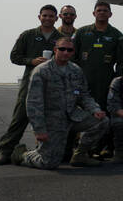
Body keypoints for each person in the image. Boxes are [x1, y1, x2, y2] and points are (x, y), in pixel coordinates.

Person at [11, 37, 108, 169]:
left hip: (73, 116)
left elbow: (84, 96)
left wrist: (95, 110)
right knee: (49, 163)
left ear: (73, 52)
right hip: (52, 121)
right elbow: (34, 103)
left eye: (69, 50)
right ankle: (23, 155)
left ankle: (80, 155)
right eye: (62, 49)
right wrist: (39, 130)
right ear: (55, 50)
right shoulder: (41, 71)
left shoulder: (76, 70)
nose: (66, 52)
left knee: (102, 121)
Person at [0, 4, 62, 164]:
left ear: (56, 18)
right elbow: (14, 56)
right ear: (39, 17)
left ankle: (50, 152)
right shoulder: (28, 35)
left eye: (51, 16)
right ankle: (5, 151)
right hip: (30, 84)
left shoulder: (60, 38)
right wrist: (31, 61)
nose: (48, 18)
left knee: (52, 120)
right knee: (20, 117)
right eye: (45, 15)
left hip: (52, 85)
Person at [72, 1, 123, 131]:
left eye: (105, 11)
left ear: (110, 14)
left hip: (105, 82)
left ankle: (103, 148)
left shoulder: (117, 35)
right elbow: (72, 56)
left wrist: (117, 80)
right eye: (99, 10)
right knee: (79, 112)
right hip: (83, 81)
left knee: (103, 112)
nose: (102, 13)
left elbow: (122, 61)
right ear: (94, 13)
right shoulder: (82, 32)